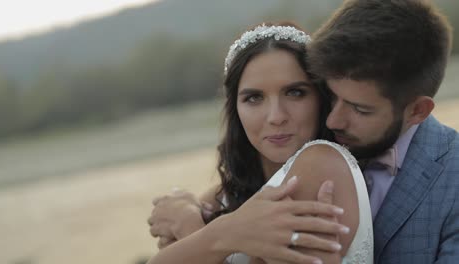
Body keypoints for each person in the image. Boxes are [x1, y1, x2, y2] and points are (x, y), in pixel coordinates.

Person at [148, 22, 373, 264]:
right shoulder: (227, 192)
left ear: (320, 97)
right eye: (254, 98)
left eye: (295, 92)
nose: (276, 116)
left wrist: (194, 228)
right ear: (235, 108)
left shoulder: (322, 163)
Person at [305, 0, 458, 263]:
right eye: (331, 95)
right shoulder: (308, 136)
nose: (333, 120)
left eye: (360, 110)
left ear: (418, 111)